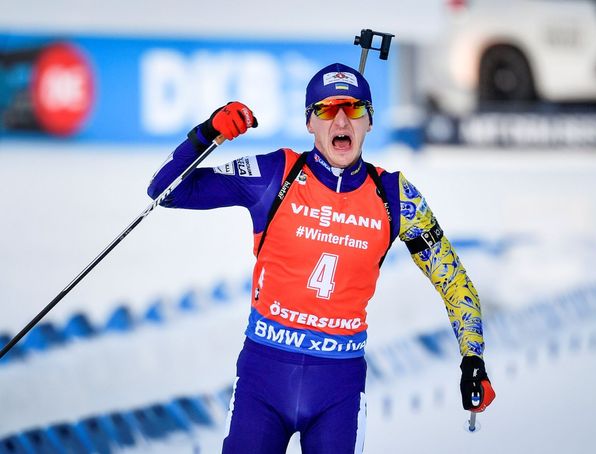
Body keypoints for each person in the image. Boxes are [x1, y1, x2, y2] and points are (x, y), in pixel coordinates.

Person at [148, 62, 495, 453]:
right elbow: (166, 191)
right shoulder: (275, 174)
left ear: (370, 122)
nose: (342, 119)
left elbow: (453, 280)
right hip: (263, 381)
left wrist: (472, 357)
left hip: (338, 390)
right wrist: (208, 133)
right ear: (309, 122)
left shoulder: (396, 196)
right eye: (327, 110)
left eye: (355, 109)